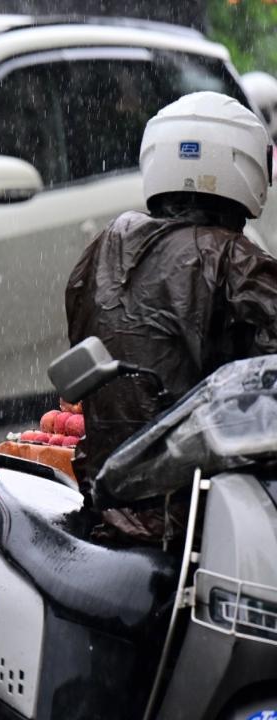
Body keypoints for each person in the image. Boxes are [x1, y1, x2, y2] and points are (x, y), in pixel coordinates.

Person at [65, 91, 277, 544]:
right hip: (194, 512)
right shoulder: (233, 257)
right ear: (247, 166)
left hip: (109, 499)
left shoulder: (107, 242)